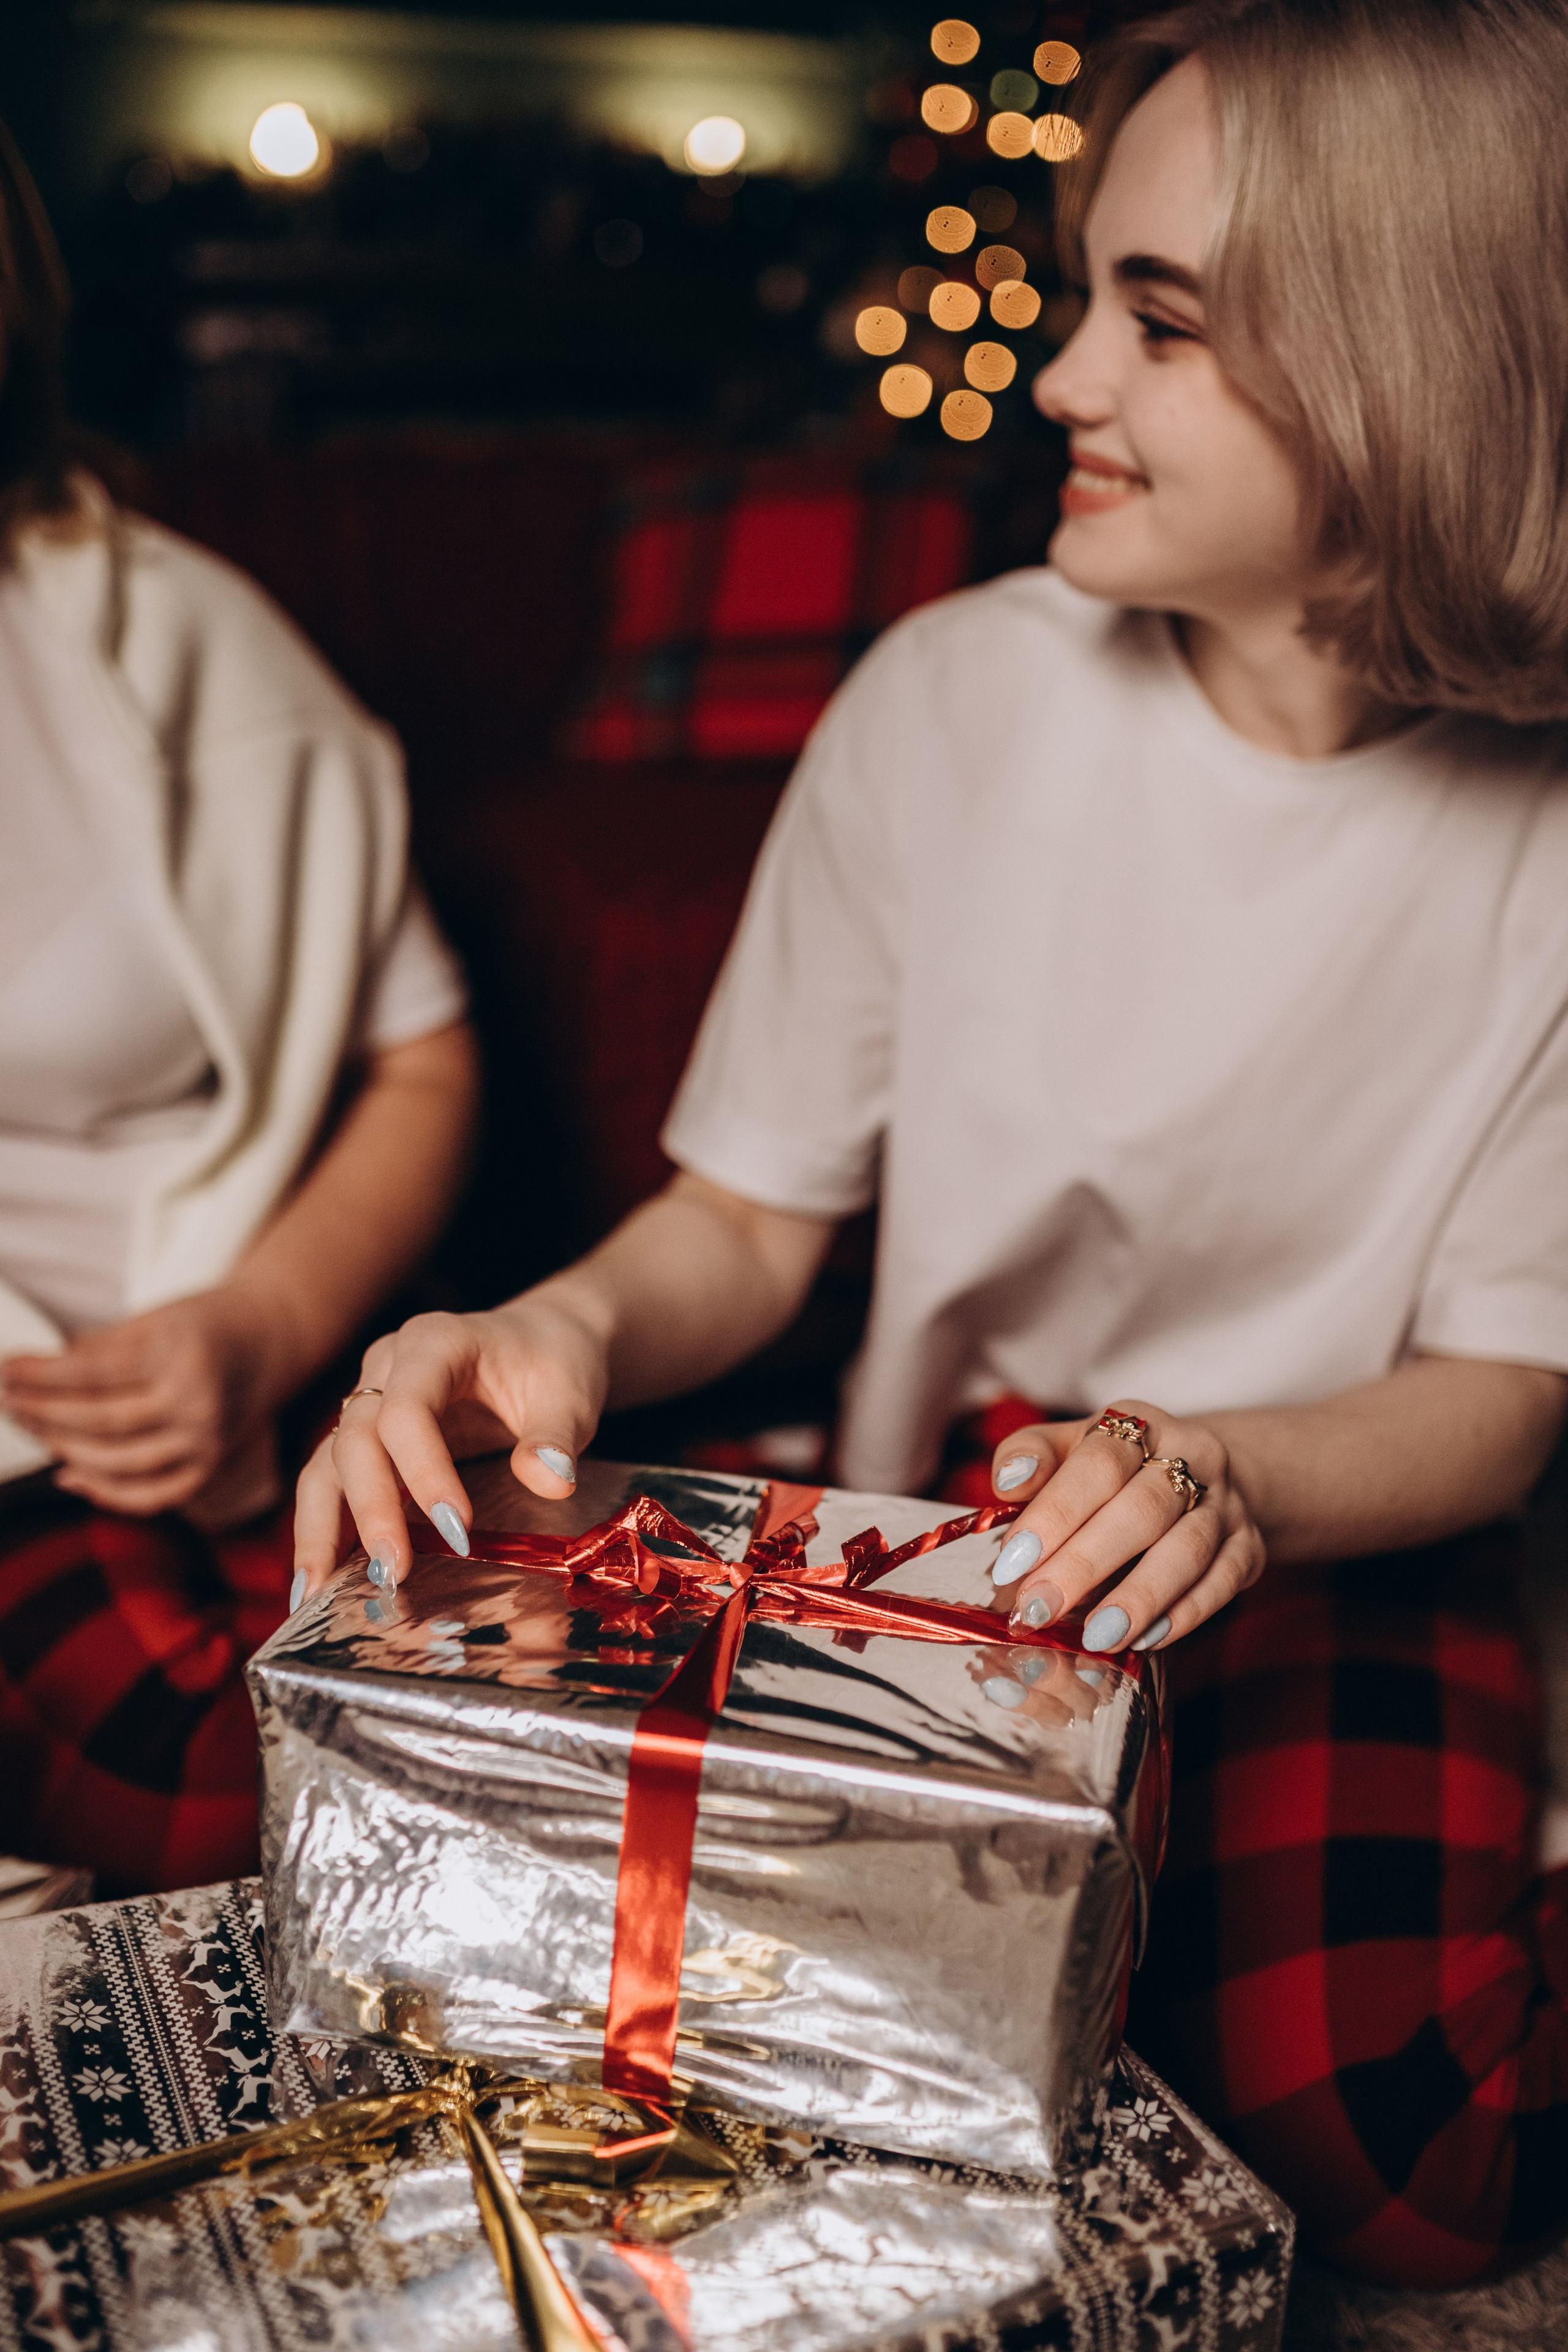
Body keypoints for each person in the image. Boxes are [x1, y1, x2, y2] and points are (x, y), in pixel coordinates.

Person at [295, 0, 1568, 2288]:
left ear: (1411, 371)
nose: (1057, 379)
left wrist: (1229, 1476)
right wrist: (549, 1317)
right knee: (585, 1949)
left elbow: (1499, 1395)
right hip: (944, 1519)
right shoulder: (950, 698)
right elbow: (750, 1219)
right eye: (1087, 299)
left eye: (1156, 325)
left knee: (1388, 2144)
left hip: (1322, 1529)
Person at [0, 123, 479, 1895]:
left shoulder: (180, 646)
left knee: (323, 1819)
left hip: (112, 1459)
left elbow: (422, 1050)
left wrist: (263, 1328)